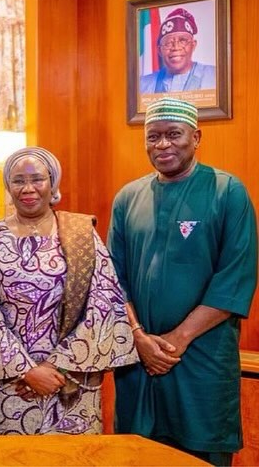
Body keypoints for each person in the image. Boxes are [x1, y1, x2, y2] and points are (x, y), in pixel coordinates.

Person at [108, 97, 257, 465]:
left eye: (174, 134)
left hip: (202, 361)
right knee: (136, 454)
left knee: (201, 455)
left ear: (196, 137)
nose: (163, 145)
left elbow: (235, 278)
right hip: (139, 361)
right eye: (153, 136)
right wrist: (139, 337)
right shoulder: (128, 198)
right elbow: (113, 279)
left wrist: (178, 339)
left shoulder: (227, 191)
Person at [0, 146, 137, 436]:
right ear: (8, 186)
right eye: (18, 180)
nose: (28, 188)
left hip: (70, 384)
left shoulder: (82, 235)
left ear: (52, 183)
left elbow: (103, 303)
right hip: (7, 389)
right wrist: (27, 370)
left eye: (37, 179)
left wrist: (56, 367)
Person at [140, 7, 216, 94]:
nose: (176, 47)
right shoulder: (142, 85)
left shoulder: (216, 76)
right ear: (159, 50)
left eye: (183, 41)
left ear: (193, 45)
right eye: (168, 43)